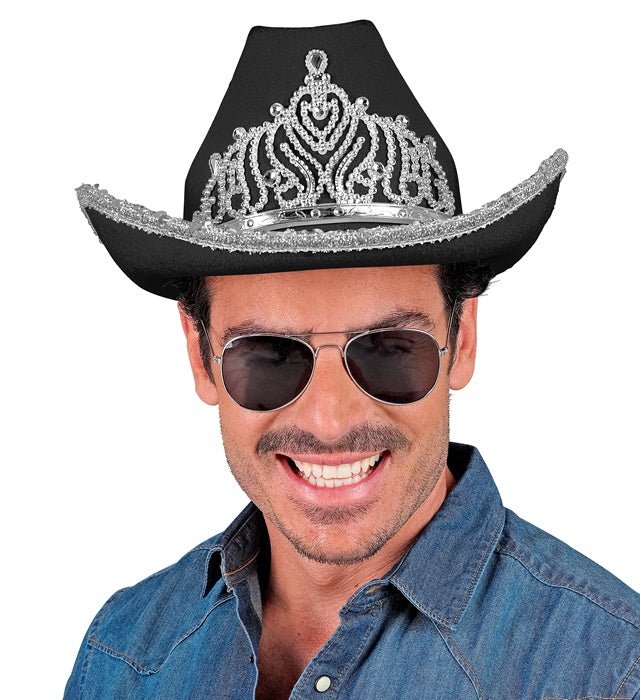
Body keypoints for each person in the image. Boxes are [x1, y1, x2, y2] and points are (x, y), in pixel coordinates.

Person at [65, 20, 640, 700]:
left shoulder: (608, 670)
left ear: (463, 340)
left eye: (389, 349)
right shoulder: (126, 654)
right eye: (271, 356)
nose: (330, 420)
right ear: (200, 354)